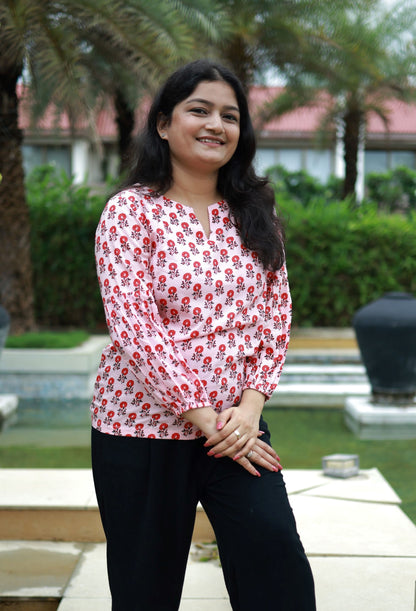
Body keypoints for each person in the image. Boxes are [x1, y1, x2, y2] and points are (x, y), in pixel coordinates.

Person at [90, 59, 316, 611]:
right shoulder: (130, 213)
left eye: (230, 115)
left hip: (238, 431)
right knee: (146, 590)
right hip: (141, 433)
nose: (217, 124)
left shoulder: (256, 213)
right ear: (164, 124)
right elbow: (134, 326)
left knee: (277, 568)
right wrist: (204, 417)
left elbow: (274, 313)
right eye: (200, 110)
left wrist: (250, 408)